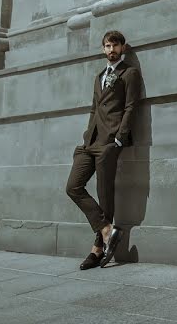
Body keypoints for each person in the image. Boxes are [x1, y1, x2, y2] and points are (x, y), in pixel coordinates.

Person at [65, 30, 142, 269]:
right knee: (73, 187)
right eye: (107, 46)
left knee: (104, 193)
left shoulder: (129, 73)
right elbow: (93, 109)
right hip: (90, 142)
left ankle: (97, 249)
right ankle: (107, 230)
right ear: (103, 49)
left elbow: (131, 107)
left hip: (110, 142)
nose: (111, 50)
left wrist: (119, 139)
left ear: (123, 47)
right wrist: (87, 135)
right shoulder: (99, 75)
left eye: (115, 46)